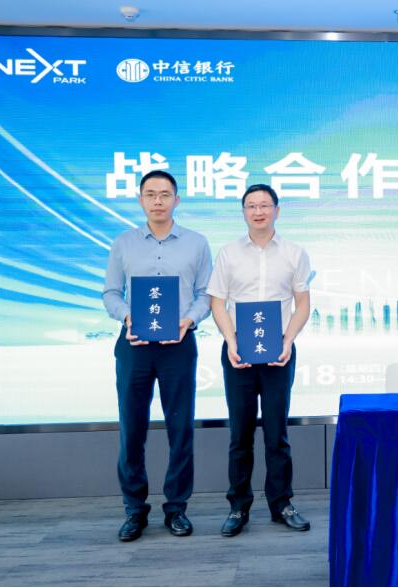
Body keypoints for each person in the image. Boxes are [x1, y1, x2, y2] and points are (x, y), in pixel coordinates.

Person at [102, 170, 212, 541]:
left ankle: (176, 508)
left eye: (165, 194)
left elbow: (205, 294)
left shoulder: (196, 243)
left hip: (178, 345)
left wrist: (189, 320)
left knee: (181, 429)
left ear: (176, 200)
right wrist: (127, 316)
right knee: (132, 429)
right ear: (140, 200)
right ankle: (134, 509)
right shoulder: (123, 243)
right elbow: (111, 293)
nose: (158, 201)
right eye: (150, 194)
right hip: (134, 346)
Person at [207, 183, 311, 536]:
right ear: (243, 212)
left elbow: (302, 304)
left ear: (277, 210)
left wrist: (288, 340)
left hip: (279, 353)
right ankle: (238, 507)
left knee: (277, 433)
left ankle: (282, 504)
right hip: (239, 352)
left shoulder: (295, 253)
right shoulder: (228, 253)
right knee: (240, 434)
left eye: (265, 205)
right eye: (251, 205)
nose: (258, 211)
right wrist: (230, 340)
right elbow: (217, 302)